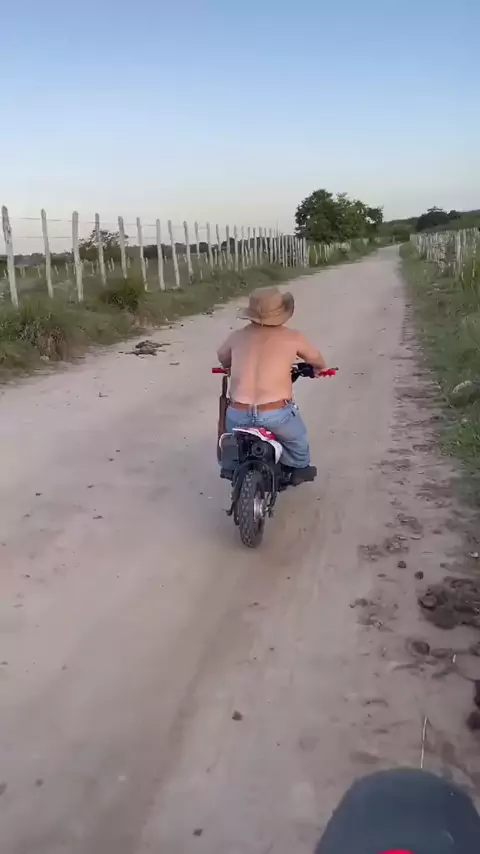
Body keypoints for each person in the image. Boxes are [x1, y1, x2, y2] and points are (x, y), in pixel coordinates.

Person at [216, 286, 326, 485]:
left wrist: (232, 365)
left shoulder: (237, 336)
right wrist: (318, 369)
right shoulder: (292, 337)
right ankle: (299, 469)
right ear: (281, 313)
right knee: (297, 441)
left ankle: (231, 467)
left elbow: (223, 357)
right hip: (275, 414)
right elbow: (317, 359)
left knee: (232, 442)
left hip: (238, 413)